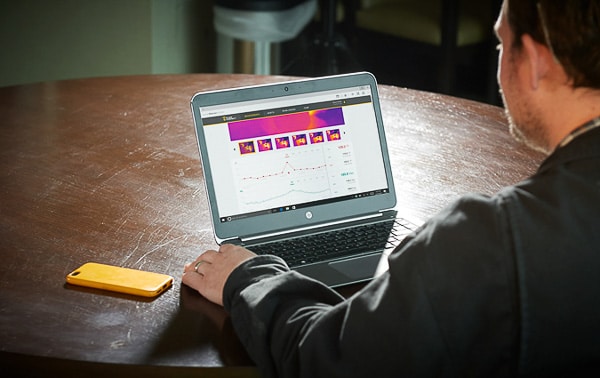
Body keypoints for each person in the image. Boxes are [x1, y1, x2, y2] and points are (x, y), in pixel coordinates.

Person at [183, 0, 600, 376]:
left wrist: (246, 277)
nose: (499, 60)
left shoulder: (492, 242)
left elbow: (326, 359)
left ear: (537, 63)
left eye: (501, 46)